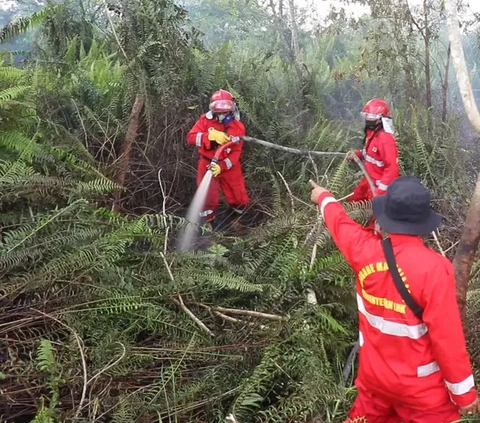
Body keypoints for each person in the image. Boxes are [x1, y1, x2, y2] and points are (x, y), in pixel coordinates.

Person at [309, 175, 480, 422]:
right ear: (423, 222)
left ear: (384, 216)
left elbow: (340, 224)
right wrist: (464, 396)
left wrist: (323, 197)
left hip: (374, 380)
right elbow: (447, 340)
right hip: (422, 392)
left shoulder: (362, 249)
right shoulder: (434, 270)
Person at [186, 89, 250, 229]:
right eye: (219, 112)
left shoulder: (238, 127)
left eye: (225, 112)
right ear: (213, 110)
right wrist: (208, 137)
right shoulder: (204, 121)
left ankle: (234, 219)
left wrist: (222, 166)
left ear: (232, 110)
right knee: (208, 198)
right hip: (207, 164)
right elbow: (190, 138)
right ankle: (209, 224)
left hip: (229, 166)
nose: (222, 115)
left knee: (239, 197)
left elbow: (236, 152)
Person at [346, 99, 399, 202]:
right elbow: (370, 154)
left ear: (380, 119)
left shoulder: (385, 139)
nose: (367, 119)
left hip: (378, 186)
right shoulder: (372, 134)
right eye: (366, 116)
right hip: (368, 179)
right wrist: (357, 154)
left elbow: (392, 169)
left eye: (370, 116)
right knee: (352, 202)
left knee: (372, 215)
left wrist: (380, 192)